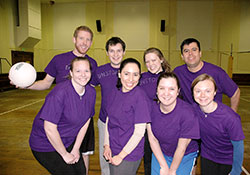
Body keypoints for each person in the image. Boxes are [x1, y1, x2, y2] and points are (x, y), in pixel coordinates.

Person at [17, 25, 97, 174]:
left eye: (88, 40)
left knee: (81, 168)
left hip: (71, 130)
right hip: (50, 135)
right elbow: (46, 83)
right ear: (71, 73)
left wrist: (75, 149)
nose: (84, 42)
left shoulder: (90, 89)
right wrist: (27, 85)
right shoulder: (59, 70)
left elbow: (86, 116)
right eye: (81, 38)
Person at [29, 57, 96, 175]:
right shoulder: (59, 93)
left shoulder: (91, 92)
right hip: (45, 144)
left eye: (86, 71)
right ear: (71, 73)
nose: (83, 75)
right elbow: (49, 129)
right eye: (78, 71)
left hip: (68, 140)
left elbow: (86, 121)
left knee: (81, 172)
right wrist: (64, 154)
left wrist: (76, 148)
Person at [103, 58, 151, 175]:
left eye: (135, 74)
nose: (130, 79)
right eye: (126, 74)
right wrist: (106, 145)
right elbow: (109, 120)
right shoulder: (115, 93)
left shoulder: (140, 96)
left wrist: (121, 156)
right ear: (119, 74)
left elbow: (139, 132)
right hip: (113, 148)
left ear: (140, 76)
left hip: (129, 153)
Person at [147, 72, 200, 175]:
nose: (166, 93)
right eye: (162, 88)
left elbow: (182, 147)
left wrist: (172, 170)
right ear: (157, 91)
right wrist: (163, 166)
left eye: (171, 89)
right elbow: (152, 139)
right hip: (161, 152)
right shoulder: (150, 108)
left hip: (185, 154)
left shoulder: (188, 113)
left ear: (178, 92)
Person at [191, 74, 244, 175]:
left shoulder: (230, 117)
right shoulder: (193, 110)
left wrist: (236, 171)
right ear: (193, 93)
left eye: (208, 91)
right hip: (208, 157)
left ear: (215, 92)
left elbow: (238, 146)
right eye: (198, 91)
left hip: (227, 159)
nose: (202, 95)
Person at [173, 38, 240, 112]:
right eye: (186, 51)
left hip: (212, 119)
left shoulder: (216, 72)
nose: (190, 53)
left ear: (200, 53)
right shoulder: (178, 72)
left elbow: (235, 92)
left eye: (194, 49)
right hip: (191, 118)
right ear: (182, 56)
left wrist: (233, 113)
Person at [91, 36, 126, 175]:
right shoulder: (100, 71)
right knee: (104, 155)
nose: (115, 54)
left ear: (124, 52)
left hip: (126, 122)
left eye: (119, 51)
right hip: (105, 120)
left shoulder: (130, 69)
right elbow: (88, 88)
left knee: (124, 154)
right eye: (112, 51)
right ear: (107, 53)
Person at [140, 47, 171, 175]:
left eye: (154, 60)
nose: (151, 64)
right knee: (148, 159)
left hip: (165, 124)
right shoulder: (141, 78)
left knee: (165, 158)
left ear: (161, 59)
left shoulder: (169, 77)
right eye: (147, 61)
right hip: (147, 125)